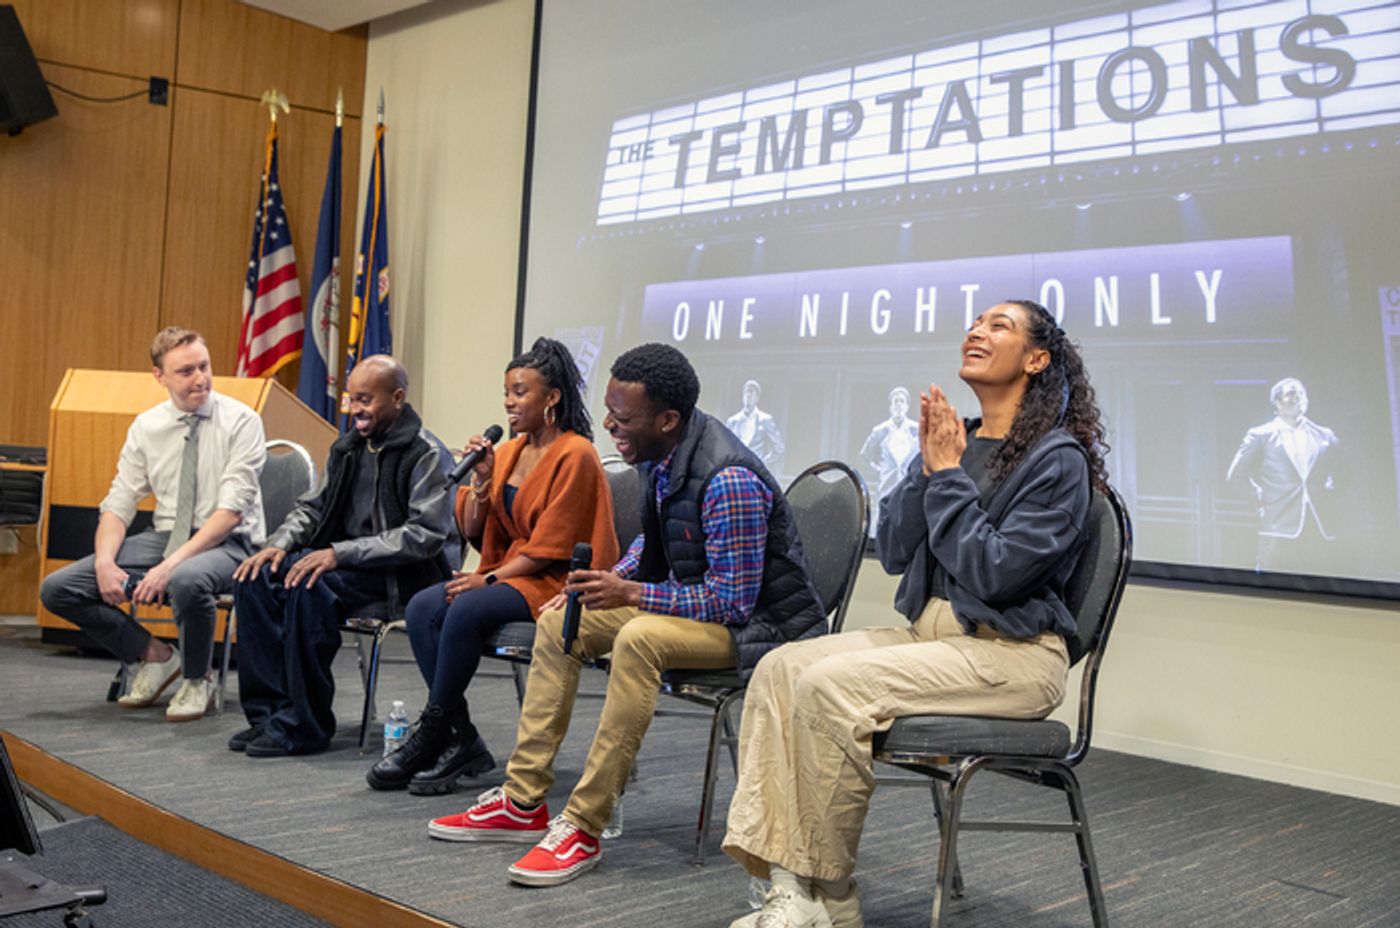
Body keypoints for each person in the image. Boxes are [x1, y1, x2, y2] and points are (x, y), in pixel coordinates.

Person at [721, 300, 1108, 928]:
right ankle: (797, 892)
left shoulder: (1056, 460)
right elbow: (898, 552)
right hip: (930, 639)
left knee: (827, 688)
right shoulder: (956, 442)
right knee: (780, 668)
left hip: (1013, 656)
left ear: (1037, 360)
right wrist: (929, 469)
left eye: (999, 325)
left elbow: (996, 572)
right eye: (977, 321)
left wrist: (947, 473)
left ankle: (830, 893)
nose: (977, 330)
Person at [426, 343, 826, 888]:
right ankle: (522, 800)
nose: (609, 423)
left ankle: (584, 824)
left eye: (624, 417)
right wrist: (594, 586)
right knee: (560, 620)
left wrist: (633, 594)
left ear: (668, 419)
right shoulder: (660, 458)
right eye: (610, 410)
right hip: (697, 610)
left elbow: (732, 602)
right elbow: (654, 551)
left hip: (758, 634)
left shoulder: (727, 478)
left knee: (638, 637)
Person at [367, 338, 620, 794]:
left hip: (556, 581)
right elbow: (471, 526)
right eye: (507, 392)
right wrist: (483, 481)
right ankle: (457, 735)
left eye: (520, 391)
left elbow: (551, 547)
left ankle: (433, 731)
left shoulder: (575, 453)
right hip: (511, 571)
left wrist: (486, 578)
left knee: (465, 608)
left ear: (552, 398)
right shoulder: (510, 452)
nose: (509, 401)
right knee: (425, 607)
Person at [230, 355, 455, 757]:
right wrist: (276, 546)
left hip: (401, 577)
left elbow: (424, 536)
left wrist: (339, 553)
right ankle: (270, 716)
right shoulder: (348, 447)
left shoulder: (426, 453)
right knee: (255, 578)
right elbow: (313, 508)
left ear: (398, 397)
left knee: (307, 586)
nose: (355, 410)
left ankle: (305, 726)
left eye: (366, 399)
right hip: (346, 563)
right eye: (352, 399)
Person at [40, 327, 266, 723]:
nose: (200, 378)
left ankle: (198, 679)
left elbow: (229, 513)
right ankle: (156, 657)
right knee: (59, 588)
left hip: (232, 543)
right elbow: (119, 502)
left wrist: (167, 567)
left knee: (186, 579)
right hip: (166, 536)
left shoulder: (242, 422)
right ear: (159, 376)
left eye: (204, 367)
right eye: (185, 371)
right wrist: (105, 563)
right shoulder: (146, 427)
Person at [1226, 377, 1339, 572]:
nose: (1298, 399)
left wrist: (1329, 491)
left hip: (1319, 525)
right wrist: (1261, 499)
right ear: (1277, 402)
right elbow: (1236, 475)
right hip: (1278, 526)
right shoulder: (1261, 434)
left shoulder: (1324, 434)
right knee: (1271, 584)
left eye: (1302, 394)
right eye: (1291, 394)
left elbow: (1343, 470)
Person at [857, 386, 919, 535]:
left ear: (907, 406)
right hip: (886, 487)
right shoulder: (880, 430)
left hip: (910, 487)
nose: (899, 404)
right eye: (896, 401)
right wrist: (879, 472)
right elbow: (863, 458)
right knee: (885, 526)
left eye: (902, 401)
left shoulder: (916, 429)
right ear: (891, 405)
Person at [725, 379, 785, 472]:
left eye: (752, 392)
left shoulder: (765, 419)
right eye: (746, 392)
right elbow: (724, 446)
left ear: (757, 398)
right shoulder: (732, 421)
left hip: (754, 472)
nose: (748, 395)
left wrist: (763, 462)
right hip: (735, 471)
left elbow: (779, 447)